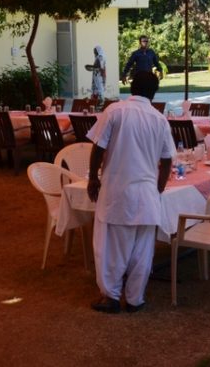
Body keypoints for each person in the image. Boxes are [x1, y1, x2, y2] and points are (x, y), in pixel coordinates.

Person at [86, 71, 173, 313]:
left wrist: (93, 177)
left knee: (111, 248)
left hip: (118, 191)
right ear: (154, 93)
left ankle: (111, 297)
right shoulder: (159, 119)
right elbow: (167, 161)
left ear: (131, 87)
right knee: (142, 251)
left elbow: (98, 148)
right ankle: (135, 299)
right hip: (147, 194)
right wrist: (158, 189)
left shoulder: (115, 111)